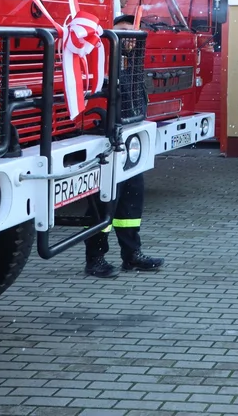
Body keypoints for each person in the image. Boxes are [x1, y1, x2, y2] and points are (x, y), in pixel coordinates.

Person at [83, 15, 162, 279]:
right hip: (107, 146)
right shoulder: (101, 66)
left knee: (130, 205)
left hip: (131, 147)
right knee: (104, 203)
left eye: (132, 32)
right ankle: (95, 259)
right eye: (122, 31)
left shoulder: (133, 66)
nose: (128, 37)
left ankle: (131, 255)